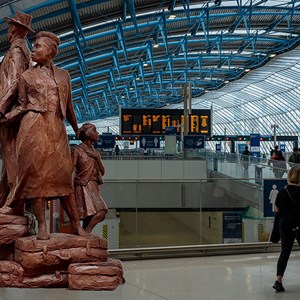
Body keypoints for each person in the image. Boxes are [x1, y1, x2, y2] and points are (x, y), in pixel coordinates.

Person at [4, 31, 88, 240]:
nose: (33, 49)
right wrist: (8, 116)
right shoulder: (26, 76)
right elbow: (22, 104)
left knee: (63, 179)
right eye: (33, 46)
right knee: (37, 178)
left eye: (38, 46)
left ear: (50, 51)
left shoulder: (63, 75)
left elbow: (69, 107)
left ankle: (77, 226)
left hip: (57, 129)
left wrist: (76, 128)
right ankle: (42, 225)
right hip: (32, 128)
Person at [0, 12, 33, 212]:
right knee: (9, 157)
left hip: (9, 113)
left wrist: (1, 107)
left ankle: (13, 198)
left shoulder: (17, 51)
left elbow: (14, 81)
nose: (8, 29)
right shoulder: (22, 50)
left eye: (10, 26)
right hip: (11, 110)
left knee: (11, 154)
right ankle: (6, 197)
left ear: (15, 29)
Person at [72, 123, 108, 233]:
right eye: (95, 131)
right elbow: (70, 168)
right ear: (87, 134)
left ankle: (84, 233)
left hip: (94, 184)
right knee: (102, 209)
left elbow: (102, 172)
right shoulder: (77, 150)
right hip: (83, 185)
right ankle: (86, 232)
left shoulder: (95, 153)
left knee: (91, 213)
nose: (98, 134)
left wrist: (97, 159)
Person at [273, 166, 300, 292]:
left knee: (285, 252)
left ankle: (278, 280)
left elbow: (277, 211)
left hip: (284, 225)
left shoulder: (282, 192)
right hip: (298, 224)